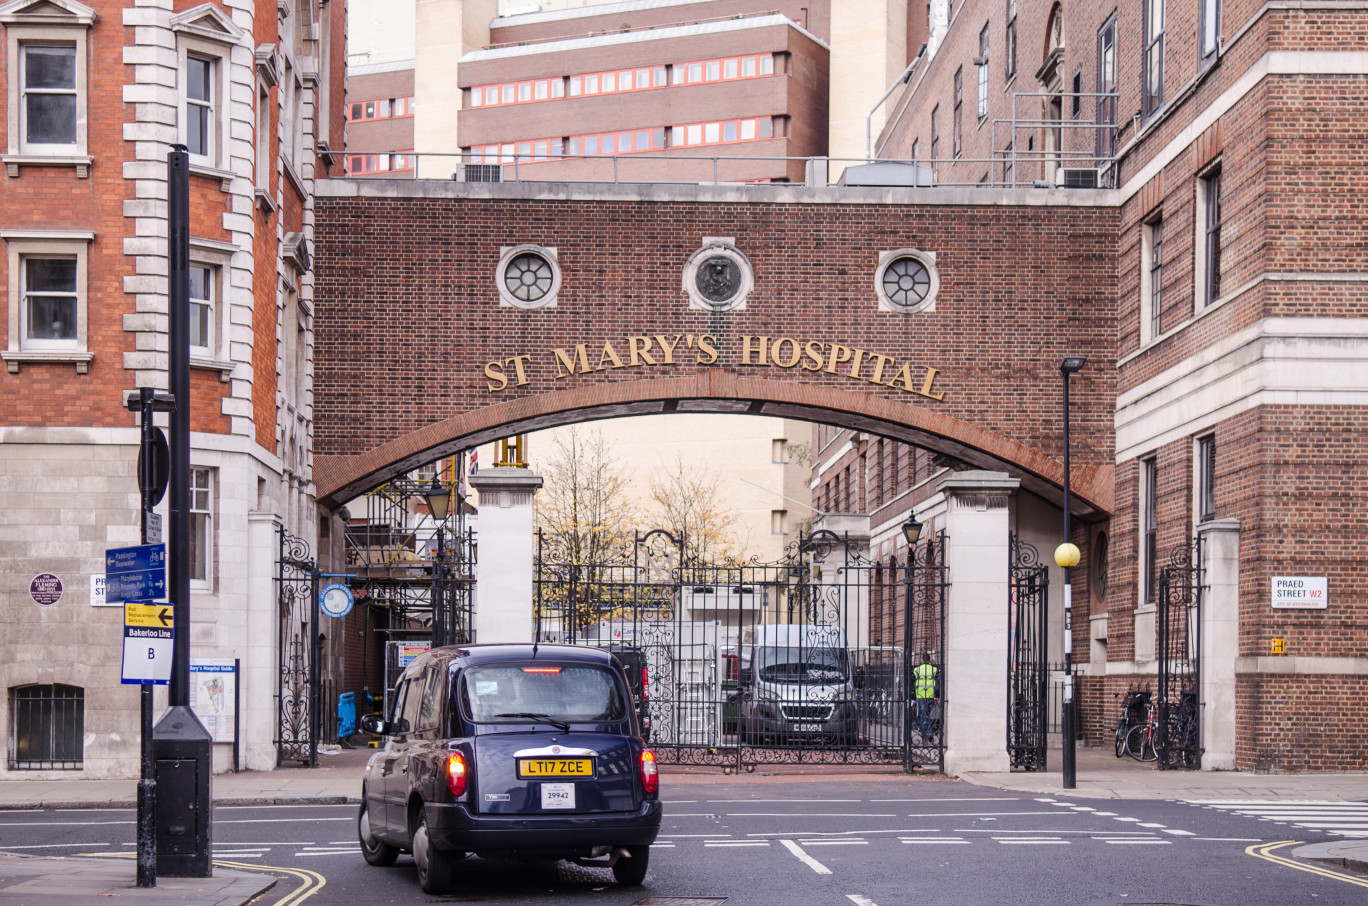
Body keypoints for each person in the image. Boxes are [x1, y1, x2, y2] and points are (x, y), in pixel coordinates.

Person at [912, 652, 940, 740]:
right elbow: (938, 683)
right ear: (930, 661)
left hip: (920, 695)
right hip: (931, 695)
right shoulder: (934, 669)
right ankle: (929, 731)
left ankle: (925, 734)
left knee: (921, 715)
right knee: (930, 715)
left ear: (921, 660)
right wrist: (938, 695)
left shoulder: (916, 669)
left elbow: (913, 681)